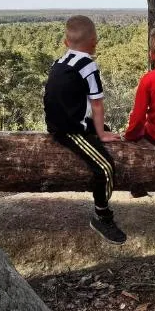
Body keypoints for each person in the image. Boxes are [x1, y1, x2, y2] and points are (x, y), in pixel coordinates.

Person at [43, 15, 126, 244]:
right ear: (94, 43)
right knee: (106, 167)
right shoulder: (88, 65)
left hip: (57, 121)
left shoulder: (60, 62)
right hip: (68, 130)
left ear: (65, 42)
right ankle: (102, 215)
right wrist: (101, 135)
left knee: (103, 130)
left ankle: (97, 132)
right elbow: (97, 104)